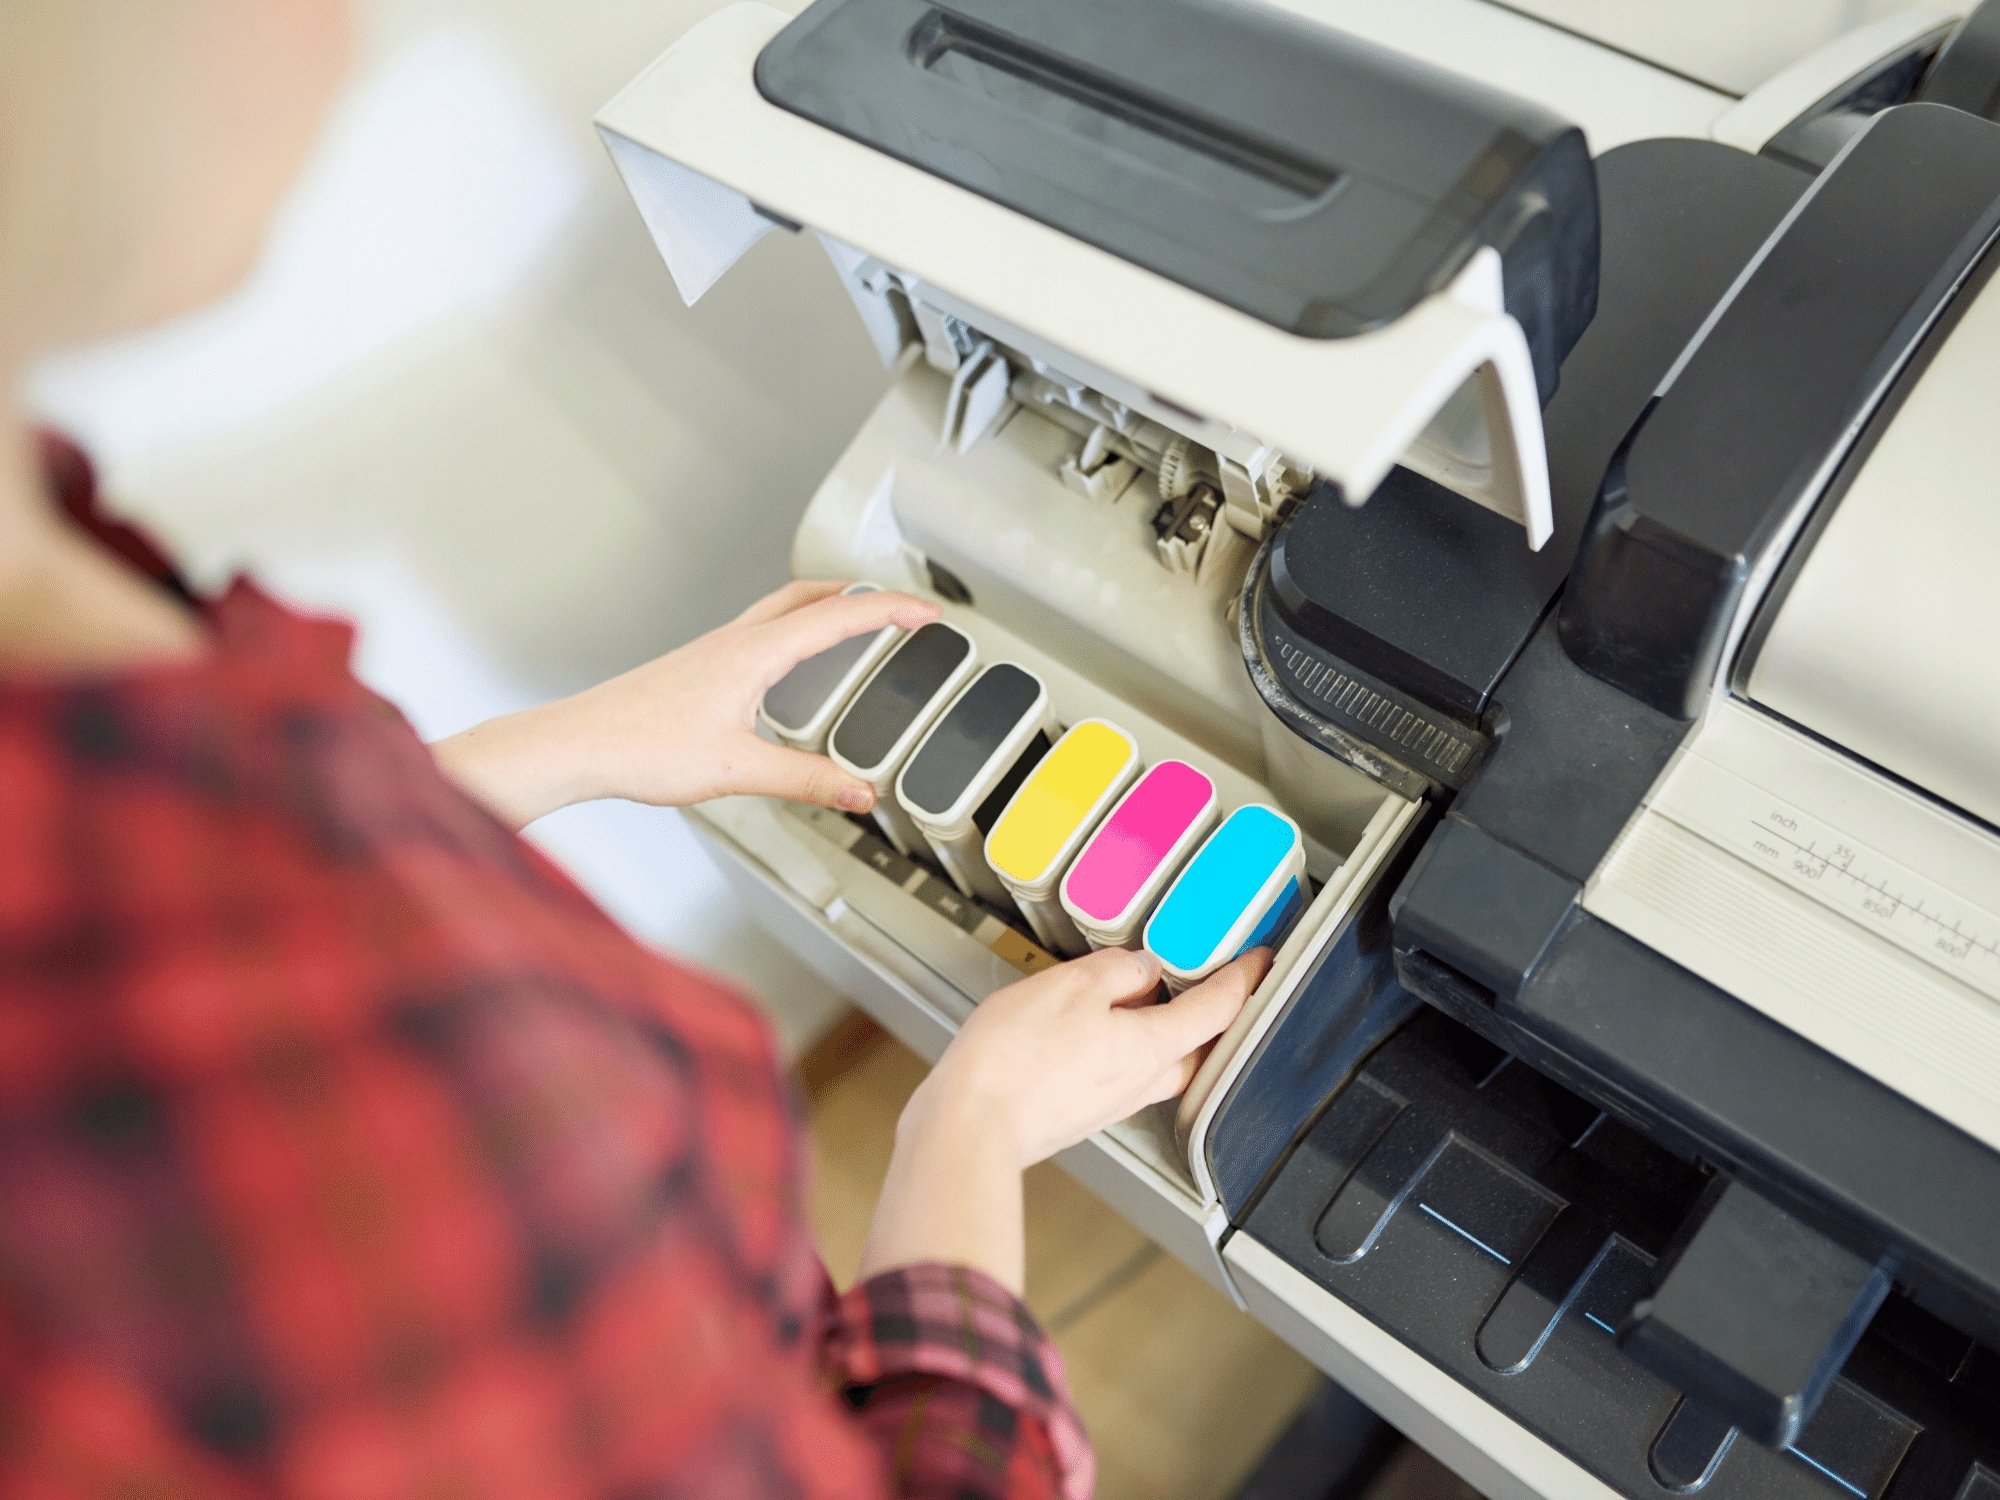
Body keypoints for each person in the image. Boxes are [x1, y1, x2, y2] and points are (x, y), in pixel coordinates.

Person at [0, 2, 1272, 1496]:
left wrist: (573, 745)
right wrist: (969, 1128)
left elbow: (210, 842)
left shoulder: (58, 587)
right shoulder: (347, 1126)